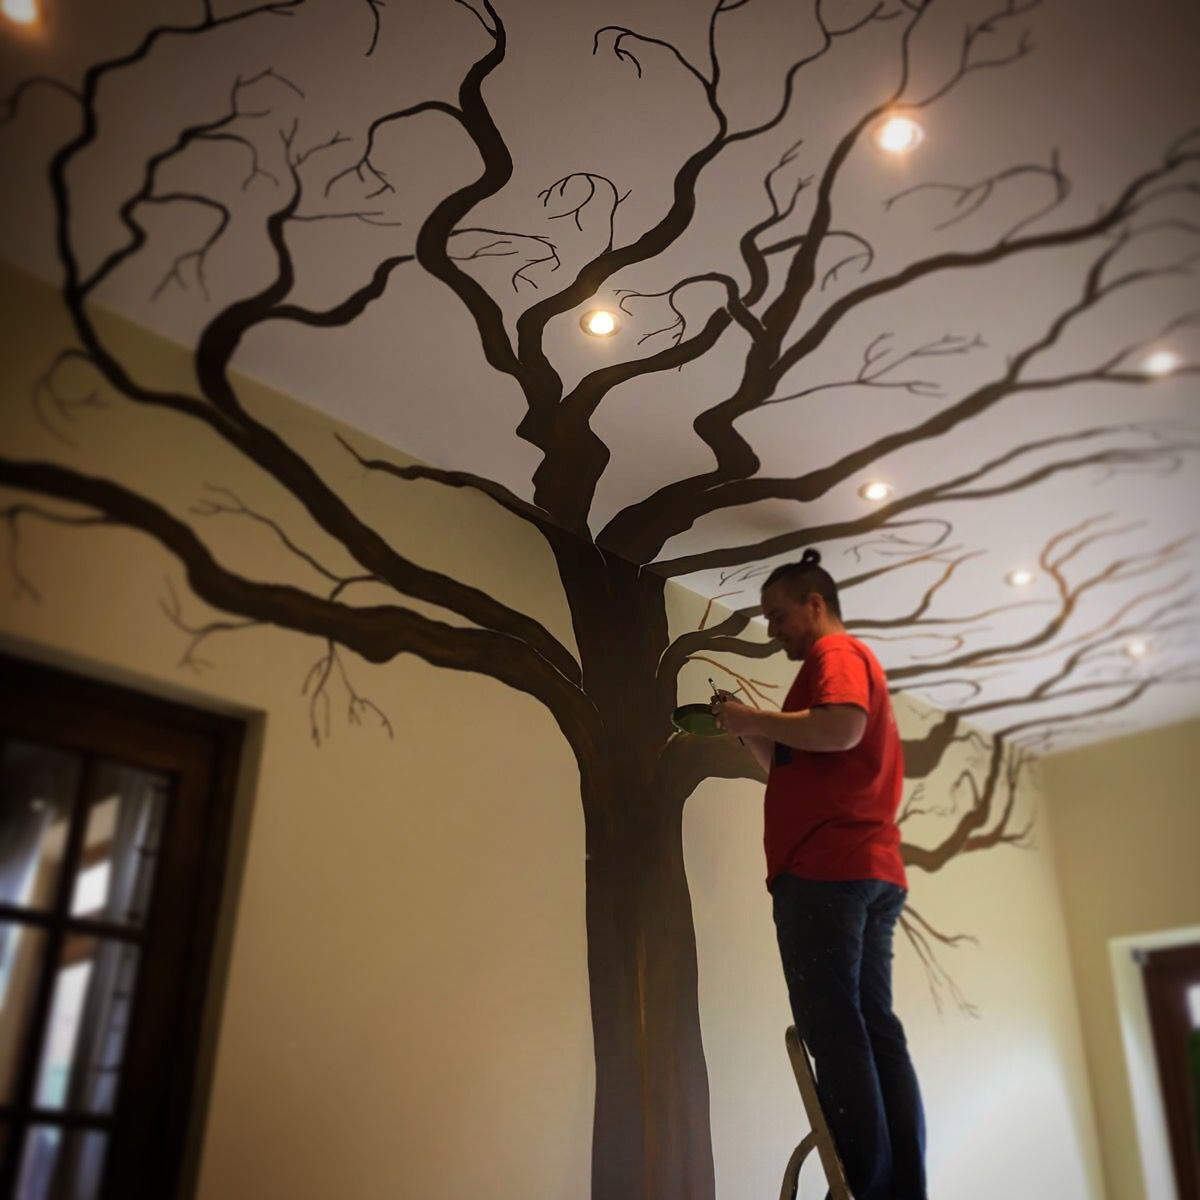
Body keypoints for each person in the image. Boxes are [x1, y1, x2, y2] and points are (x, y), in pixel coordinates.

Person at [711, 547, 927, 1200]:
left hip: (825, 872)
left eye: (778, 615)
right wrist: (749, 730)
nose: (772, 629)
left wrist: (752, 717)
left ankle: (861, 1183)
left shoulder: (838, 655)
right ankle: (898, 1187)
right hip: (870, 870)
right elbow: (800, 754)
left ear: (815, 604)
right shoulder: (840, 670)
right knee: (873, 1026)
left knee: (835, 1030)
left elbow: (840, 729)